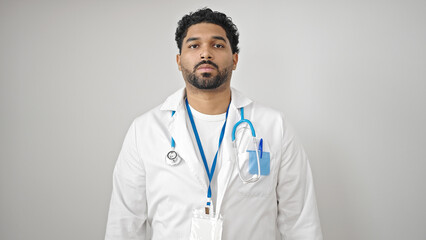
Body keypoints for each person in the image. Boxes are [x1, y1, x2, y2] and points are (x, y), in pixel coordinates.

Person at [105, 8, 323, 240]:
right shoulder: (145, 131)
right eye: (194, 45)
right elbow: (125, 223)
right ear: (179, 61)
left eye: (217, 45)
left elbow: (300, 221)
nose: (205, 53)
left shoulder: (274, 126)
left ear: (235, 59)